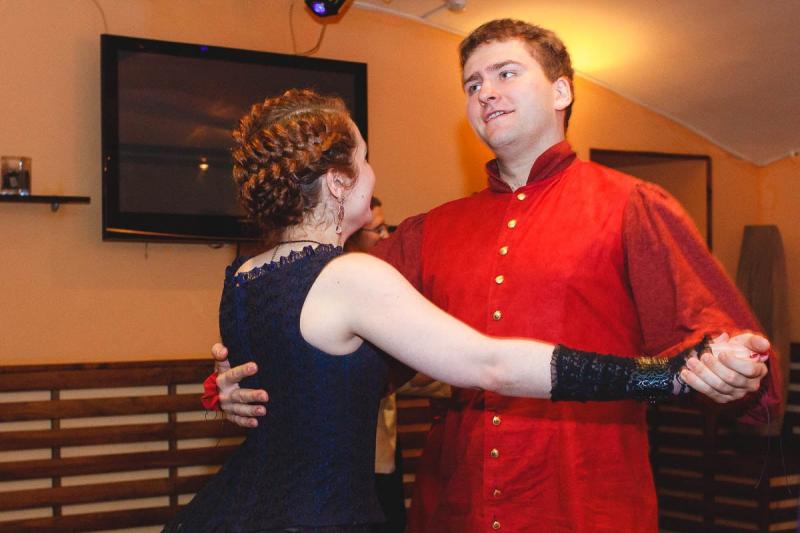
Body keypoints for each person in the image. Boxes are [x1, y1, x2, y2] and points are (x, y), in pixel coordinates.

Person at [208, 19, 782, 532]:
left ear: (561, 91)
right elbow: (315, 333)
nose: (485, 92)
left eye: (506, 73)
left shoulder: (632, 205)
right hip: (454, 507)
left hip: (584, 504)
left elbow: (721, 341)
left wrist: (732, 370)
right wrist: (232, 385)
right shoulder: (430, 230)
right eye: (472, 84)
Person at [346, 196, 407, 533]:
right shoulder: (348, 285)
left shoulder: (387, 279)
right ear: (353, 237)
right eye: (378, 230)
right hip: (354, 448)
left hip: (384, 441)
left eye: (388, 227)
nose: (387, 237)